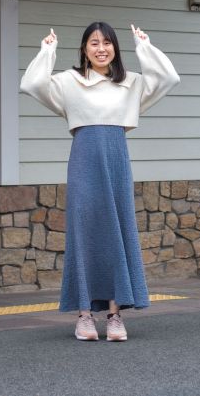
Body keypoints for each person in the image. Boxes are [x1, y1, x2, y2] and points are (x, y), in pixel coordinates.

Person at [19, 21, 180, 342]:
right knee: (85, 233)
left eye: (107, 43)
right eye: (94, 43)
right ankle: (84, 316)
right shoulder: (69, 81)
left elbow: (168, 78)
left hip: (117, 160)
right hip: (84, 159)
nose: (101, 49)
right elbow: (32, 84)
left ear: (115, 49)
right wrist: (47, 51)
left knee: (116, 231)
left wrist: (144, 47)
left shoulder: (131, 83)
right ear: (84, 49)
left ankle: (114, 315)